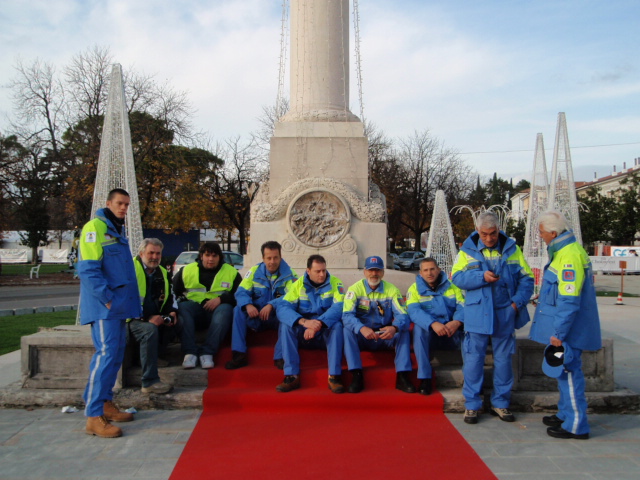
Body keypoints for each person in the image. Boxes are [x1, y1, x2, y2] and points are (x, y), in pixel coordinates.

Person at [452, 212, 534, 425]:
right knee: (473, 361)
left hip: (504, 312)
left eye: (493, 233)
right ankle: (472, 405)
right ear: (477, 231)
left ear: (499, 229)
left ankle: (501, 403)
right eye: (484, 234)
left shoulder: (513, 249)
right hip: (477, 314)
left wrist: (516, 304)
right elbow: (457, 277)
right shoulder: (466, 251)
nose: (489, 238)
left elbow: (527, 278)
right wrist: (481, 277)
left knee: (504, 361)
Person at [530, 210, 602, 440]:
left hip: (568, 330)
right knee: (563, 373)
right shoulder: (566, 250)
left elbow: (569, 300)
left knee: (569, 374)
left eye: (541, 232)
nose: (540, 235)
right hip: (567, 327)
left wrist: (559, 333)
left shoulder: (568, 256)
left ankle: (576, 425)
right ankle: (565, 414)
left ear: (553, 233)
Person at [77, 188, 141, 438]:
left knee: (114, 357)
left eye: (126, 204)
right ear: (108, 203)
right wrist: (107, 299)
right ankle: (94, 416)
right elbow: (88, 269)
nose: (123, 208)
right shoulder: (95, 228)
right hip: (105, 307)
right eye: (119, 203)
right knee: (105, 356)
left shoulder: (115, 230)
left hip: (117, 307)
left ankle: (104, 403)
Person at [342, 256, 415, 394]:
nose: (374, 274)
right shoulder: (354, 289)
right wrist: (361, 328)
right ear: (365, 272)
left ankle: (403, 375)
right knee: (347, 330)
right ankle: (356, 374)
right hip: (363, 335)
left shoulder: (392, 290)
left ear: (383, 272)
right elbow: (347, 316)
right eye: (371, 270)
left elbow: (403, 315)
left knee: (403, 331)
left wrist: (394, 327)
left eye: (377, 270)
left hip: (384, 335)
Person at [275, 254, 345, 393]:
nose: (322, 274)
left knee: (337, 326)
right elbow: (282, 308)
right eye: (317, 271)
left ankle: (334, 377)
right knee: (285, 325)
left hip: (323, 329)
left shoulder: (336, 283)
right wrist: (304, 322)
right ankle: (291, 376)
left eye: (324, 270)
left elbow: (339, 307)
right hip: (304, 329)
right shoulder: (298, 284)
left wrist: (318, 323)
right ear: (308, 271)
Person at [226, 241, 297, 370]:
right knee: (238, 310)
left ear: (280, 257)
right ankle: (239, 354)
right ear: (263, 258)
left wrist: (271, 305)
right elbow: (241, 292)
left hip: (277, 317)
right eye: (269, 258)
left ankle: (280, 357)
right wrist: (248, 305)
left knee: (288, 313)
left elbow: (292, 297)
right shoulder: (253, 271)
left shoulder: (290, 273)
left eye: (275, 257)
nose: (272, 262)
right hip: (256, 315)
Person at [172, 242, 241, 369]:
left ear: (219, 257)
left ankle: (207, 353)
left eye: (214, 256)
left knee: (226, 309)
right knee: (182, 308)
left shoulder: (231, 272)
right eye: (207, 255)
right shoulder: (187, 270)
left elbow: (240, 295)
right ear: (201, 256)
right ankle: (190, 353)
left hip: (218, 311)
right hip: (194, 309)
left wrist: (221, 299)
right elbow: (173, 292)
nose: (211, 259)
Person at [406, 257, 464, 395]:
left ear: (439, 270)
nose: (429, 273)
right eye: (425, 270)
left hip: (452, 332)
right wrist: (432, 323)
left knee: (471, 331)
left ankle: (471, 377)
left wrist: (457, 322)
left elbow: (463, 306)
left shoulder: (453, 286)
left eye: (432, 269)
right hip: (430, 335)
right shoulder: (414, 289)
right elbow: (414, 311)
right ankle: (425, 378)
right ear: (420, 273)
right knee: (419, 329)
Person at [128, 238, 176, 395]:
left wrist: (171, 312)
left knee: (179, 321)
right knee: (149, 330)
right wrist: (146, 318)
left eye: (158, 254)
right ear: (141, 253)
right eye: (151, 253)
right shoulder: (129, 268)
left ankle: (154, 356)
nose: (154, 257)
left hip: (154, 316)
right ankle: (149, 382)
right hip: (129, 319)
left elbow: (169, 297)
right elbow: (124, 300)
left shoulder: (163, 272)